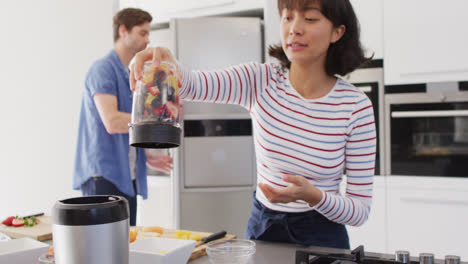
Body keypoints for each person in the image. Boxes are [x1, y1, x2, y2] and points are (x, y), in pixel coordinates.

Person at [130, 0, 376, 249]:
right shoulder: (260, 80)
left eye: (310, 19)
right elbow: (192, 83)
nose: (294, 28)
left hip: (322, 237)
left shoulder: (355, 107)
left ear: (337, 32)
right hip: (264, 230)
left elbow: (359, 211)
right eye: (288, 17)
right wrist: (165, 61)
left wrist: (314, 196)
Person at [73, 8, 172, 226]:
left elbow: (128, 125)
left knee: (124, 245)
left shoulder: (128, 73)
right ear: (123, 31)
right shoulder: (102, 69)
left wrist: (144, 157)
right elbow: (113, 121)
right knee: (101, 250)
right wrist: (157, 121)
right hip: (103, 178)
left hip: (126, 175)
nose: (148, 40)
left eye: (148, 34)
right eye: (142, 33)